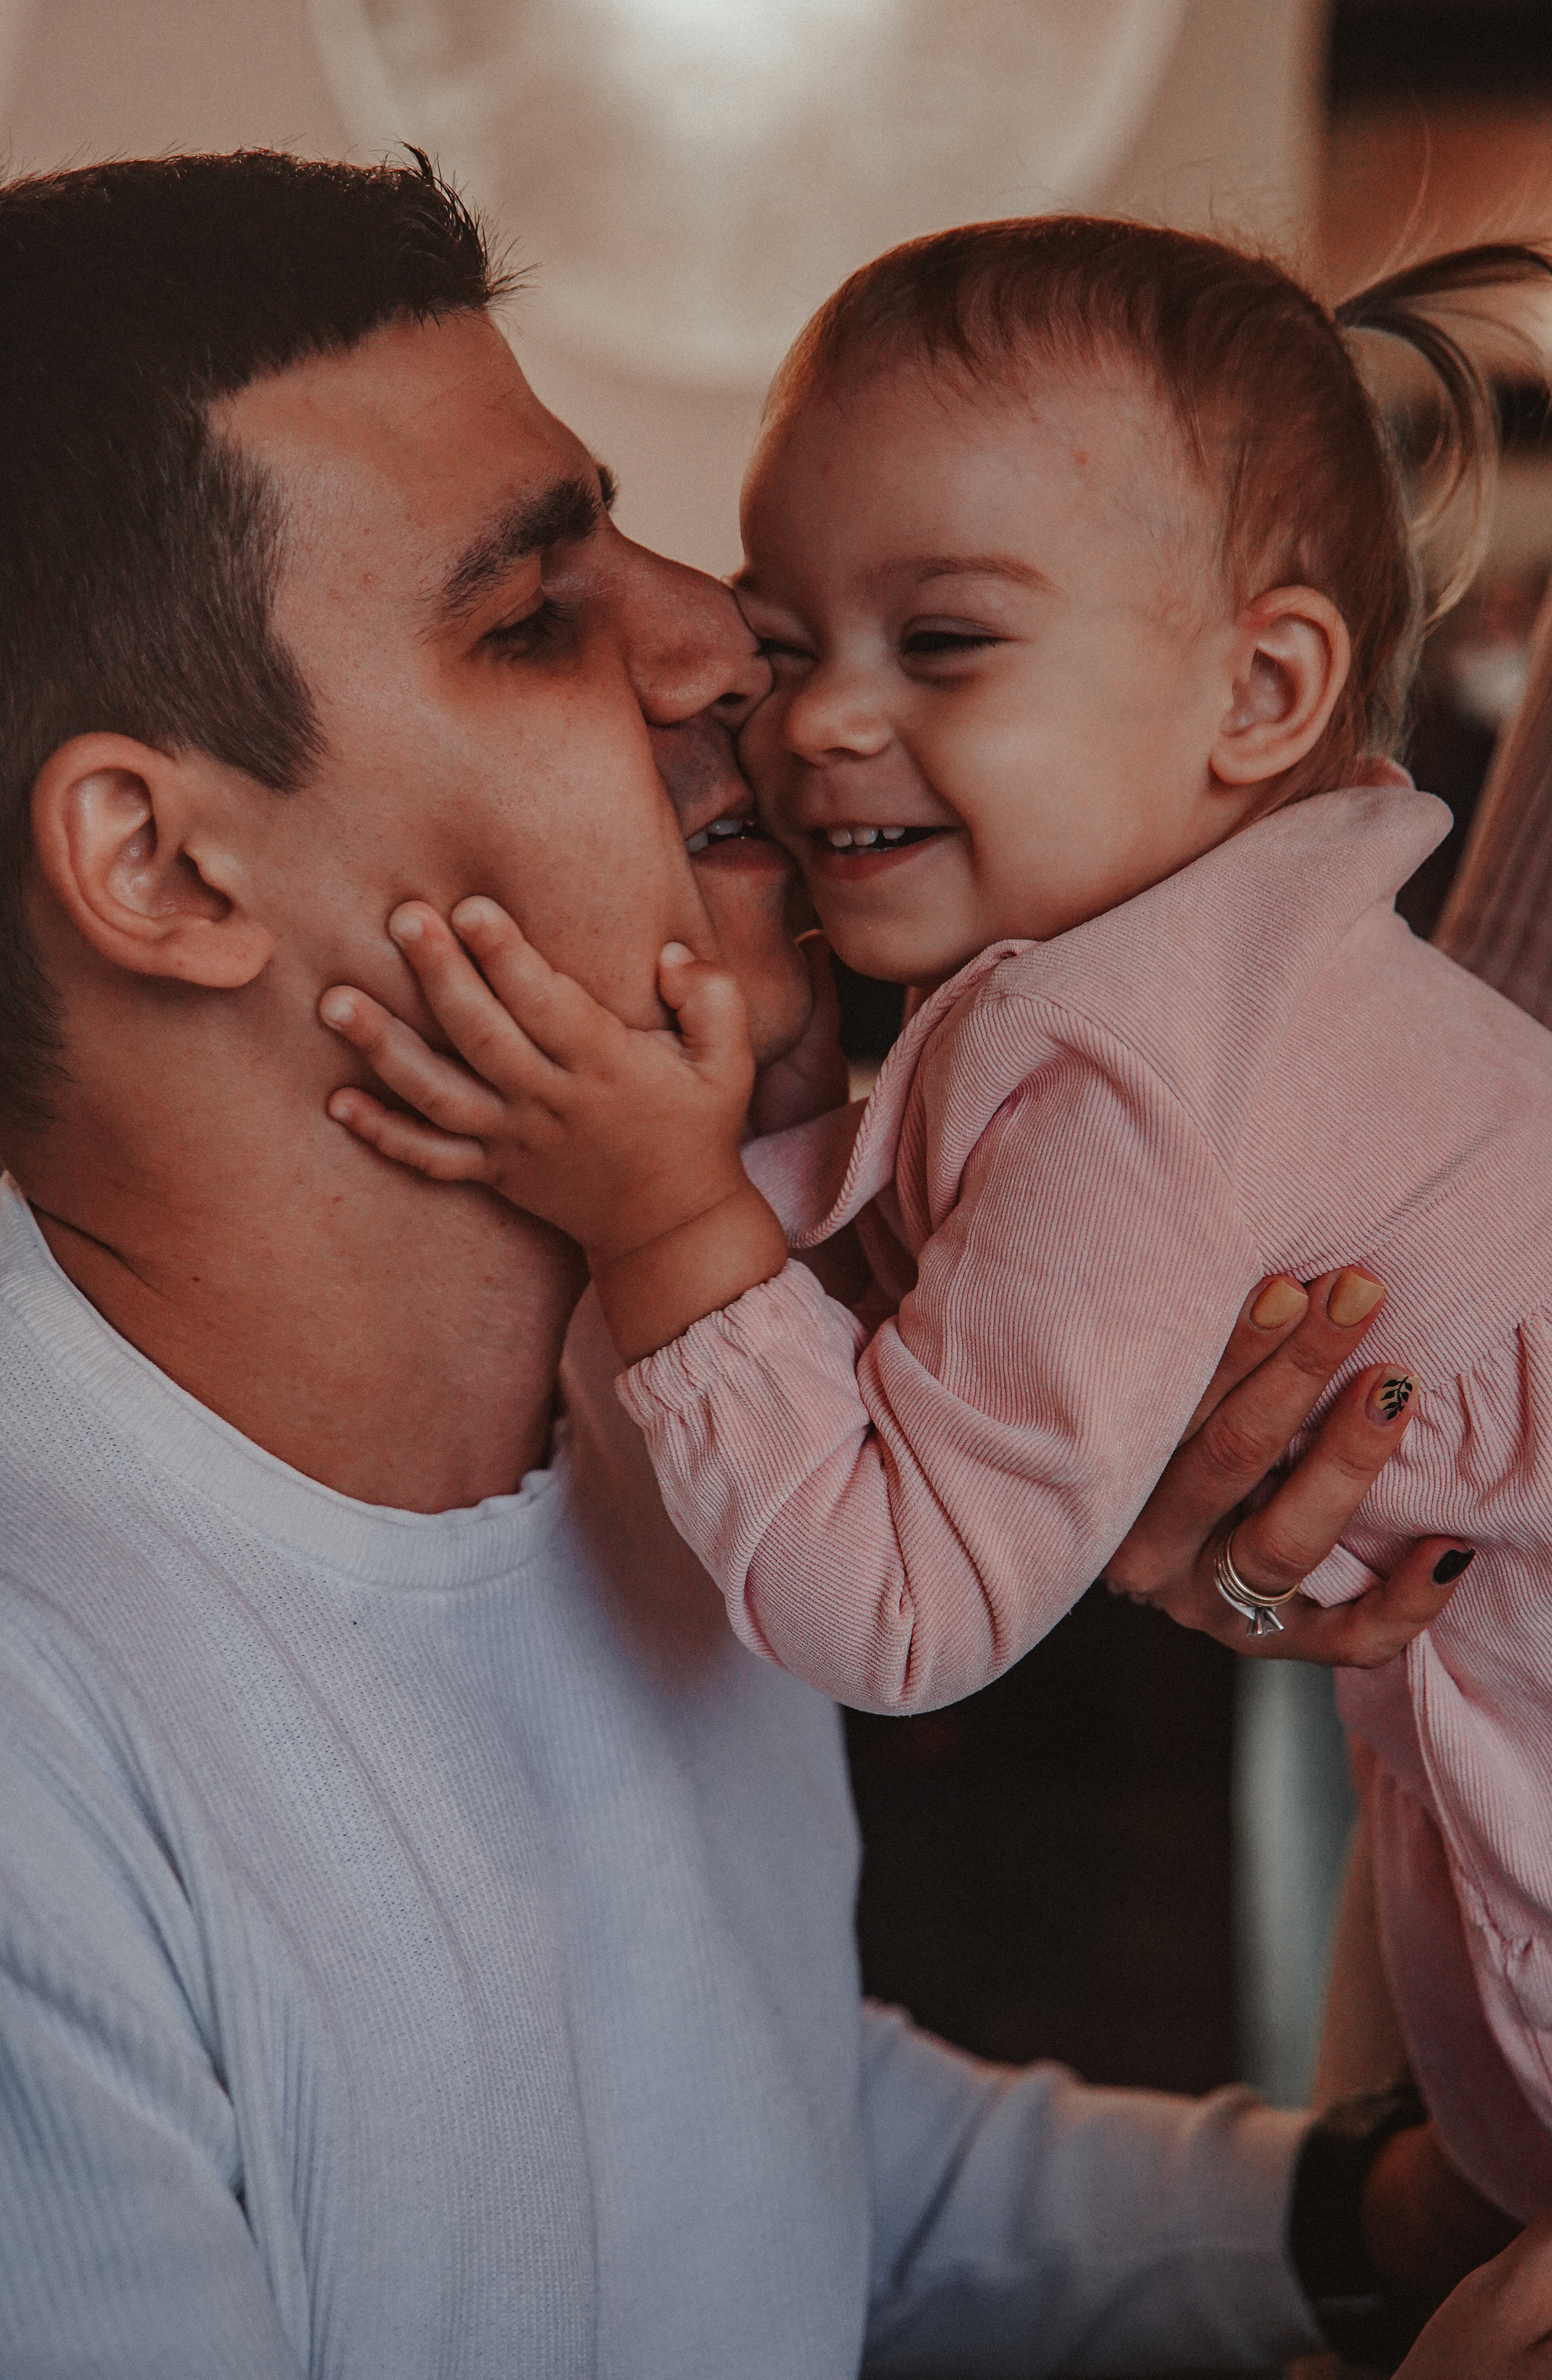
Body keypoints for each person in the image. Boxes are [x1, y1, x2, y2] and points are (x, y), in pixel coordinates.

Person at [0, 154, 1512, 2377]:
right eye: (530, 611)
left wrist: (1397, 2214)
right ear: (162, 865)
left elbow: (765, 2154)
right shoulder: (12, 1757)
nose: (726, 648)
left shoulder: (687, 1408)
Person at [320, 215, 1552, 2246]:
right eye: (794, 640)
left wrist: (665, 1210)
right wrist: (762, 1145)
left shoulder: (1133, 1073)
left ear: (1263, 687)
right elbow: (929, 1262)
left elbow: (900, 1613)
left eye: (947, 643)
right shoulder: (1214, 972)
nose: (806, 722)